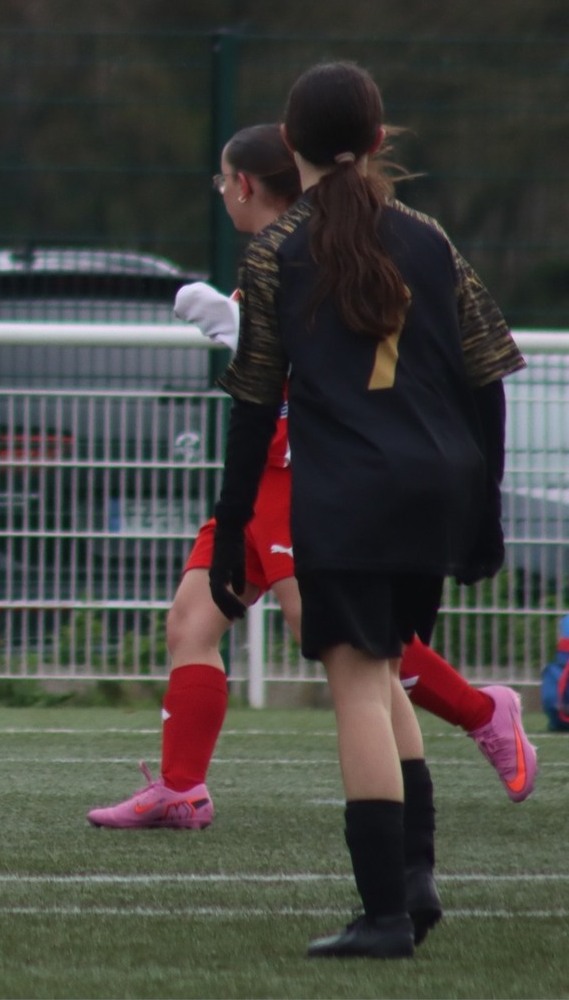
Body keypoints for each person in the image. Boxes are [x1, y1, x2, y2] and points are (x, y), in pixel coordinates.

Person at [87, 125, 538, 832]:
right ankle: (182, 788)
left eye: (223, 180)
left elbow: (341, 368)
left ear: (244, 186)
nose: (221, 193)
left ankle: (478, 718)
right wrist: (241, 325)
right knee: (192, 622)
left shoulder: (319, 252)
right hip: (265, 476)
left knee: (345, 640)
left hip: (310, 477)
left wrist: (237, 329)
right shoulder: (278, 253)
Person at [212, 63, 524, 958]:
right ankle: (414, 883)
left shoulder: (277, 251)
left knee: (357, 687)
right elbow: (490, 375)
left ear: (290, 142)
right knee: (384, 672)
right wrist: (486, 506)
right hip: (438, 486)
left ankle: (384, 914)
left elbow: (253, 402)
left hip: (352, 492)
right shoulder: (427, 237)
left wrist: (232, 528)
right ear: (378, 139)